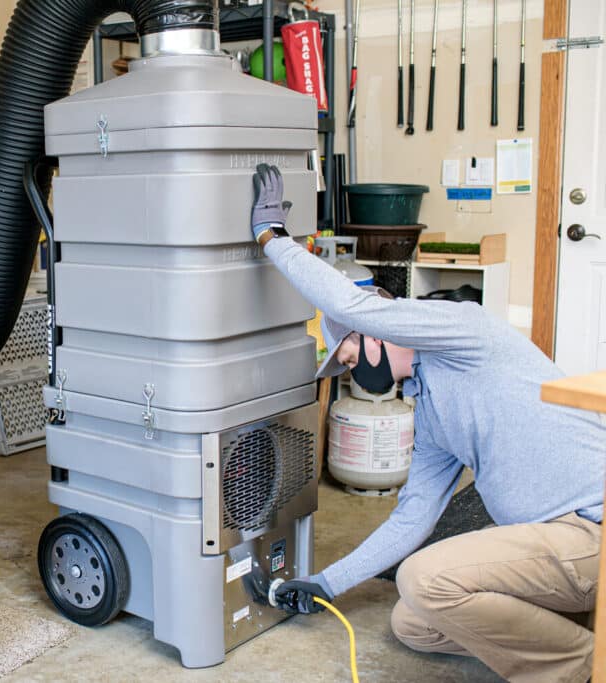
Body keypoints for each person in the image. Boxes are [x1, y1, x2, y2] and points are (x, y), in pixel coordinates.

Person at [250, 163, 605, 683]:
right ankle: (578, 626)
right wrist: (327, 582)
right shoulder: (432, 409)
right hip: (549, 545)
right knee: (414, 621)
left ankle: (584, 667)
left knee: (425, 579)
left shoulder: (463, 332)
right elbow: (411, 519)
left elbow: (350, 302)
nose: (353, 372)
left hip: (588, 529)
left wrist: (272, 238)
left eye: (348, 357)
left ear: (372, 331)